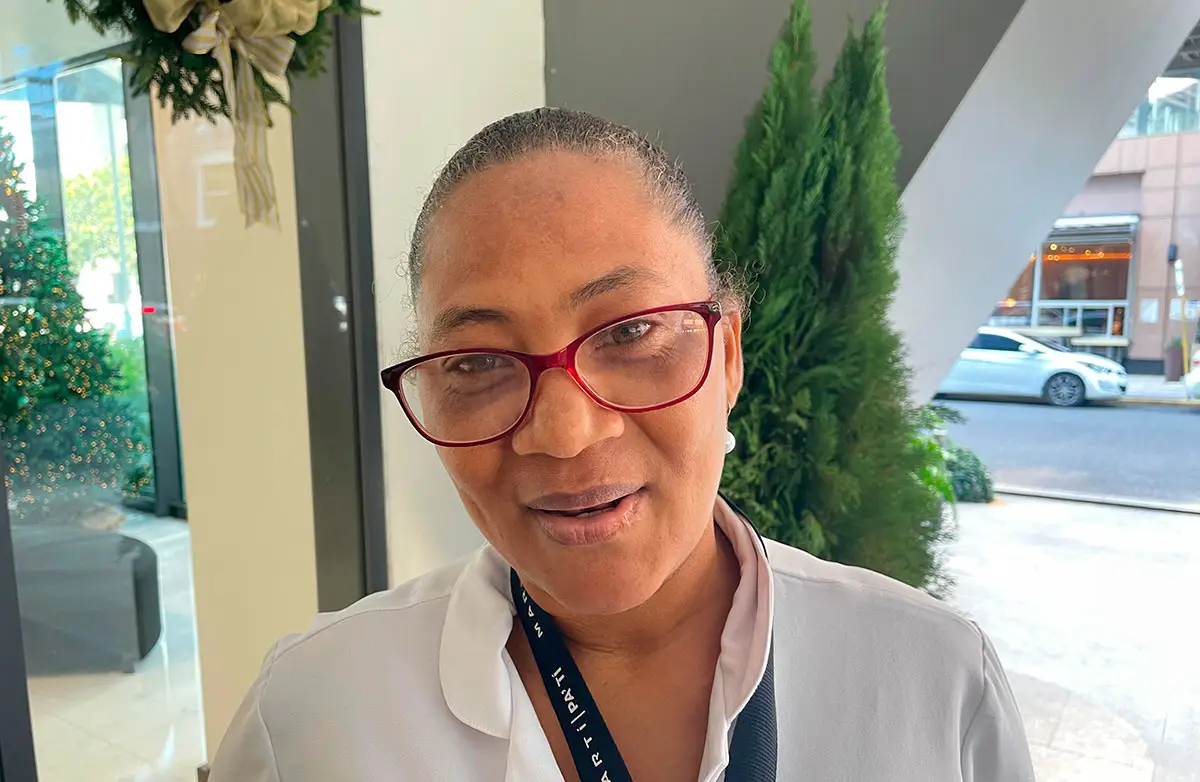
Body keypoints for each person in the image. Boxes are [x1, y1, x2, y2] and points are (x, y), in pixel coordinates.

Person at [207, 107, 1035, 781]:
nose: (564, 434)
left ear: (728, 357)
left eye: (631, 331)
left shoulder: (934, 682)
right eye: (478, 362)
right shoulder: (314, 714)